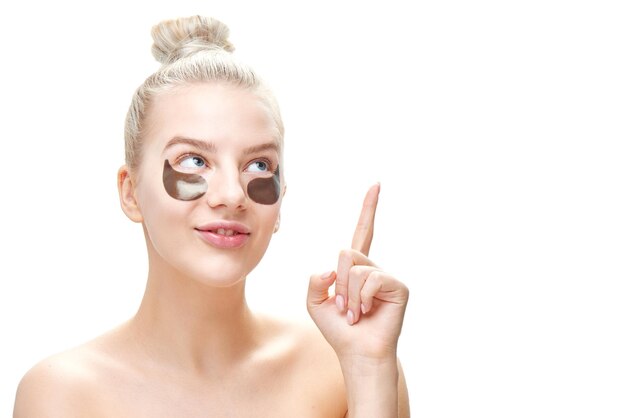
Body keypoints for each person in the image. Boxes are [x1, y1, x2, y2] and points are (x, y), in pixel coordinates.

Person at [13, 15, 409, 417]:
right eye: (194, 160)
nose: (232, 195)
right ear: (130, 192)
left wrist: (370, 370)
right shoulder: (61, 394)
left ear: (281, 198)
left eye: (258, 165)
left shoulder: (341, 369)